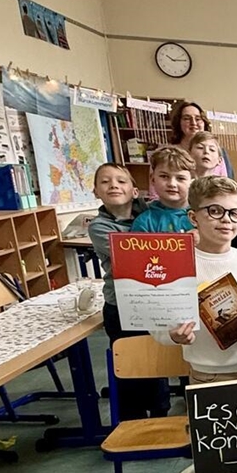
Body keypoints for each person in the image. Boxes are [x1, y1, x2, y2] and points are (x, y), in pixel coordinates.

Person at [157, 177, 237, 429]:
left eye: (234, 213)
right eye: (215, 211)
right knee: (217, 456)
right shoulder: (177, 266)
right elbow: (160, 328)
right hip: (207, 375)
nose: (226, 219)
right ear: (194, 217)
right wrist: (173, 336)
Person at [88, 164, 168, 421]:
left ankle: (159, 414)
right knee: (128, 363)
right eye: (105, 182)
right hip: (121, 305)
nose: (114, 185)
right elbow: (133, 256)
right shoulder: (98, 227)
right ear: (95, 191)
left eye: (121, 181)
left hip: (155, 300)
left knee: (156, 360)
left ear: (135, 191)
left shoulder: (151, 215)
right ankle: (132, 419)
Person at [131, 146, 195, 233]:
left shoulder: (203, 216)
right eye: (164, 176)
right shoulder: (145, 222)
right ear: (153, 179)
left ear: (191, 182)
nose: (172, 184)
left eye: (180, 178)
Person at [168, 100, 233, 177]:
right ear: (179, 123)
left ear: (204, 122)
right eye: (187, 118)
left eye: (198, 119)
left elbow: (227, 181)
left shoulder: (218, 152)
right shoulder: (168, 152)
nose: (193, 123)